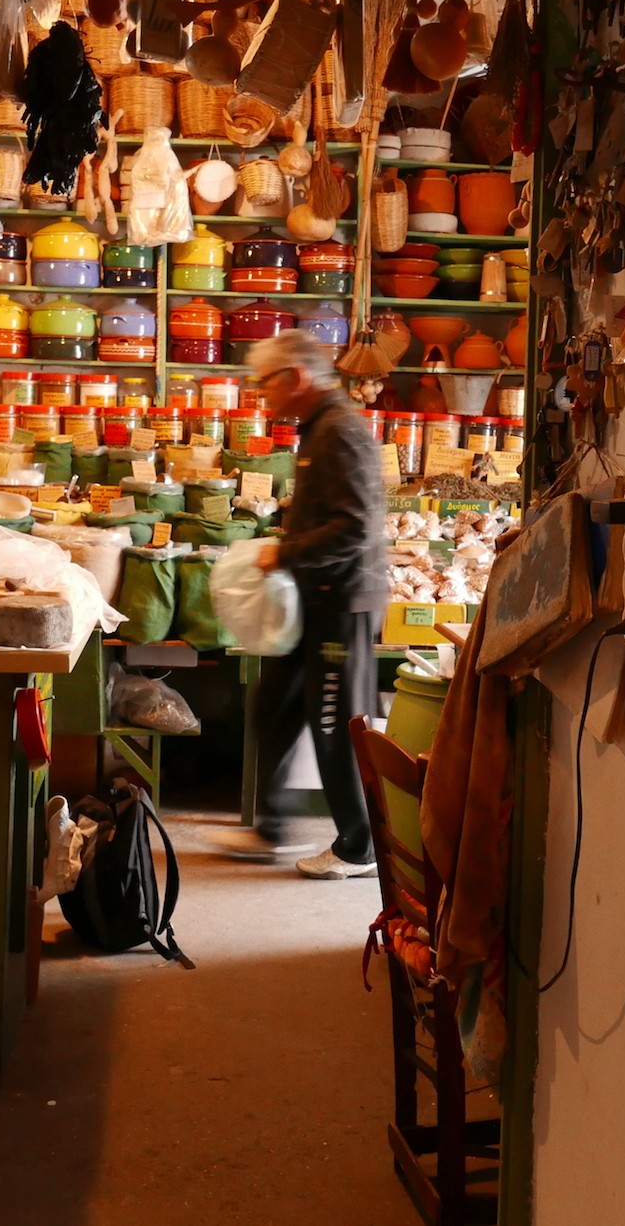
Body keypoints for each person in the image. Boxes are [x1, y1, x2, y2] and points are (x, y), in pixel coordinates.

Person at [210, 331, 385, 880]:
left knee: (334, 726)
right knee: (274, 708)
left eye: (265, 383)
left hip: (342, 604)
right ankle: (269, 829)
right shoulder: (318, 428)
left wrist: (284, 554)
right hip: (313, 599)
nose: (261, 393)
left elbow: (355, 528)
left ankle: (359, 847)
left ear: (297, 378)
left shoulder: (340, 431)